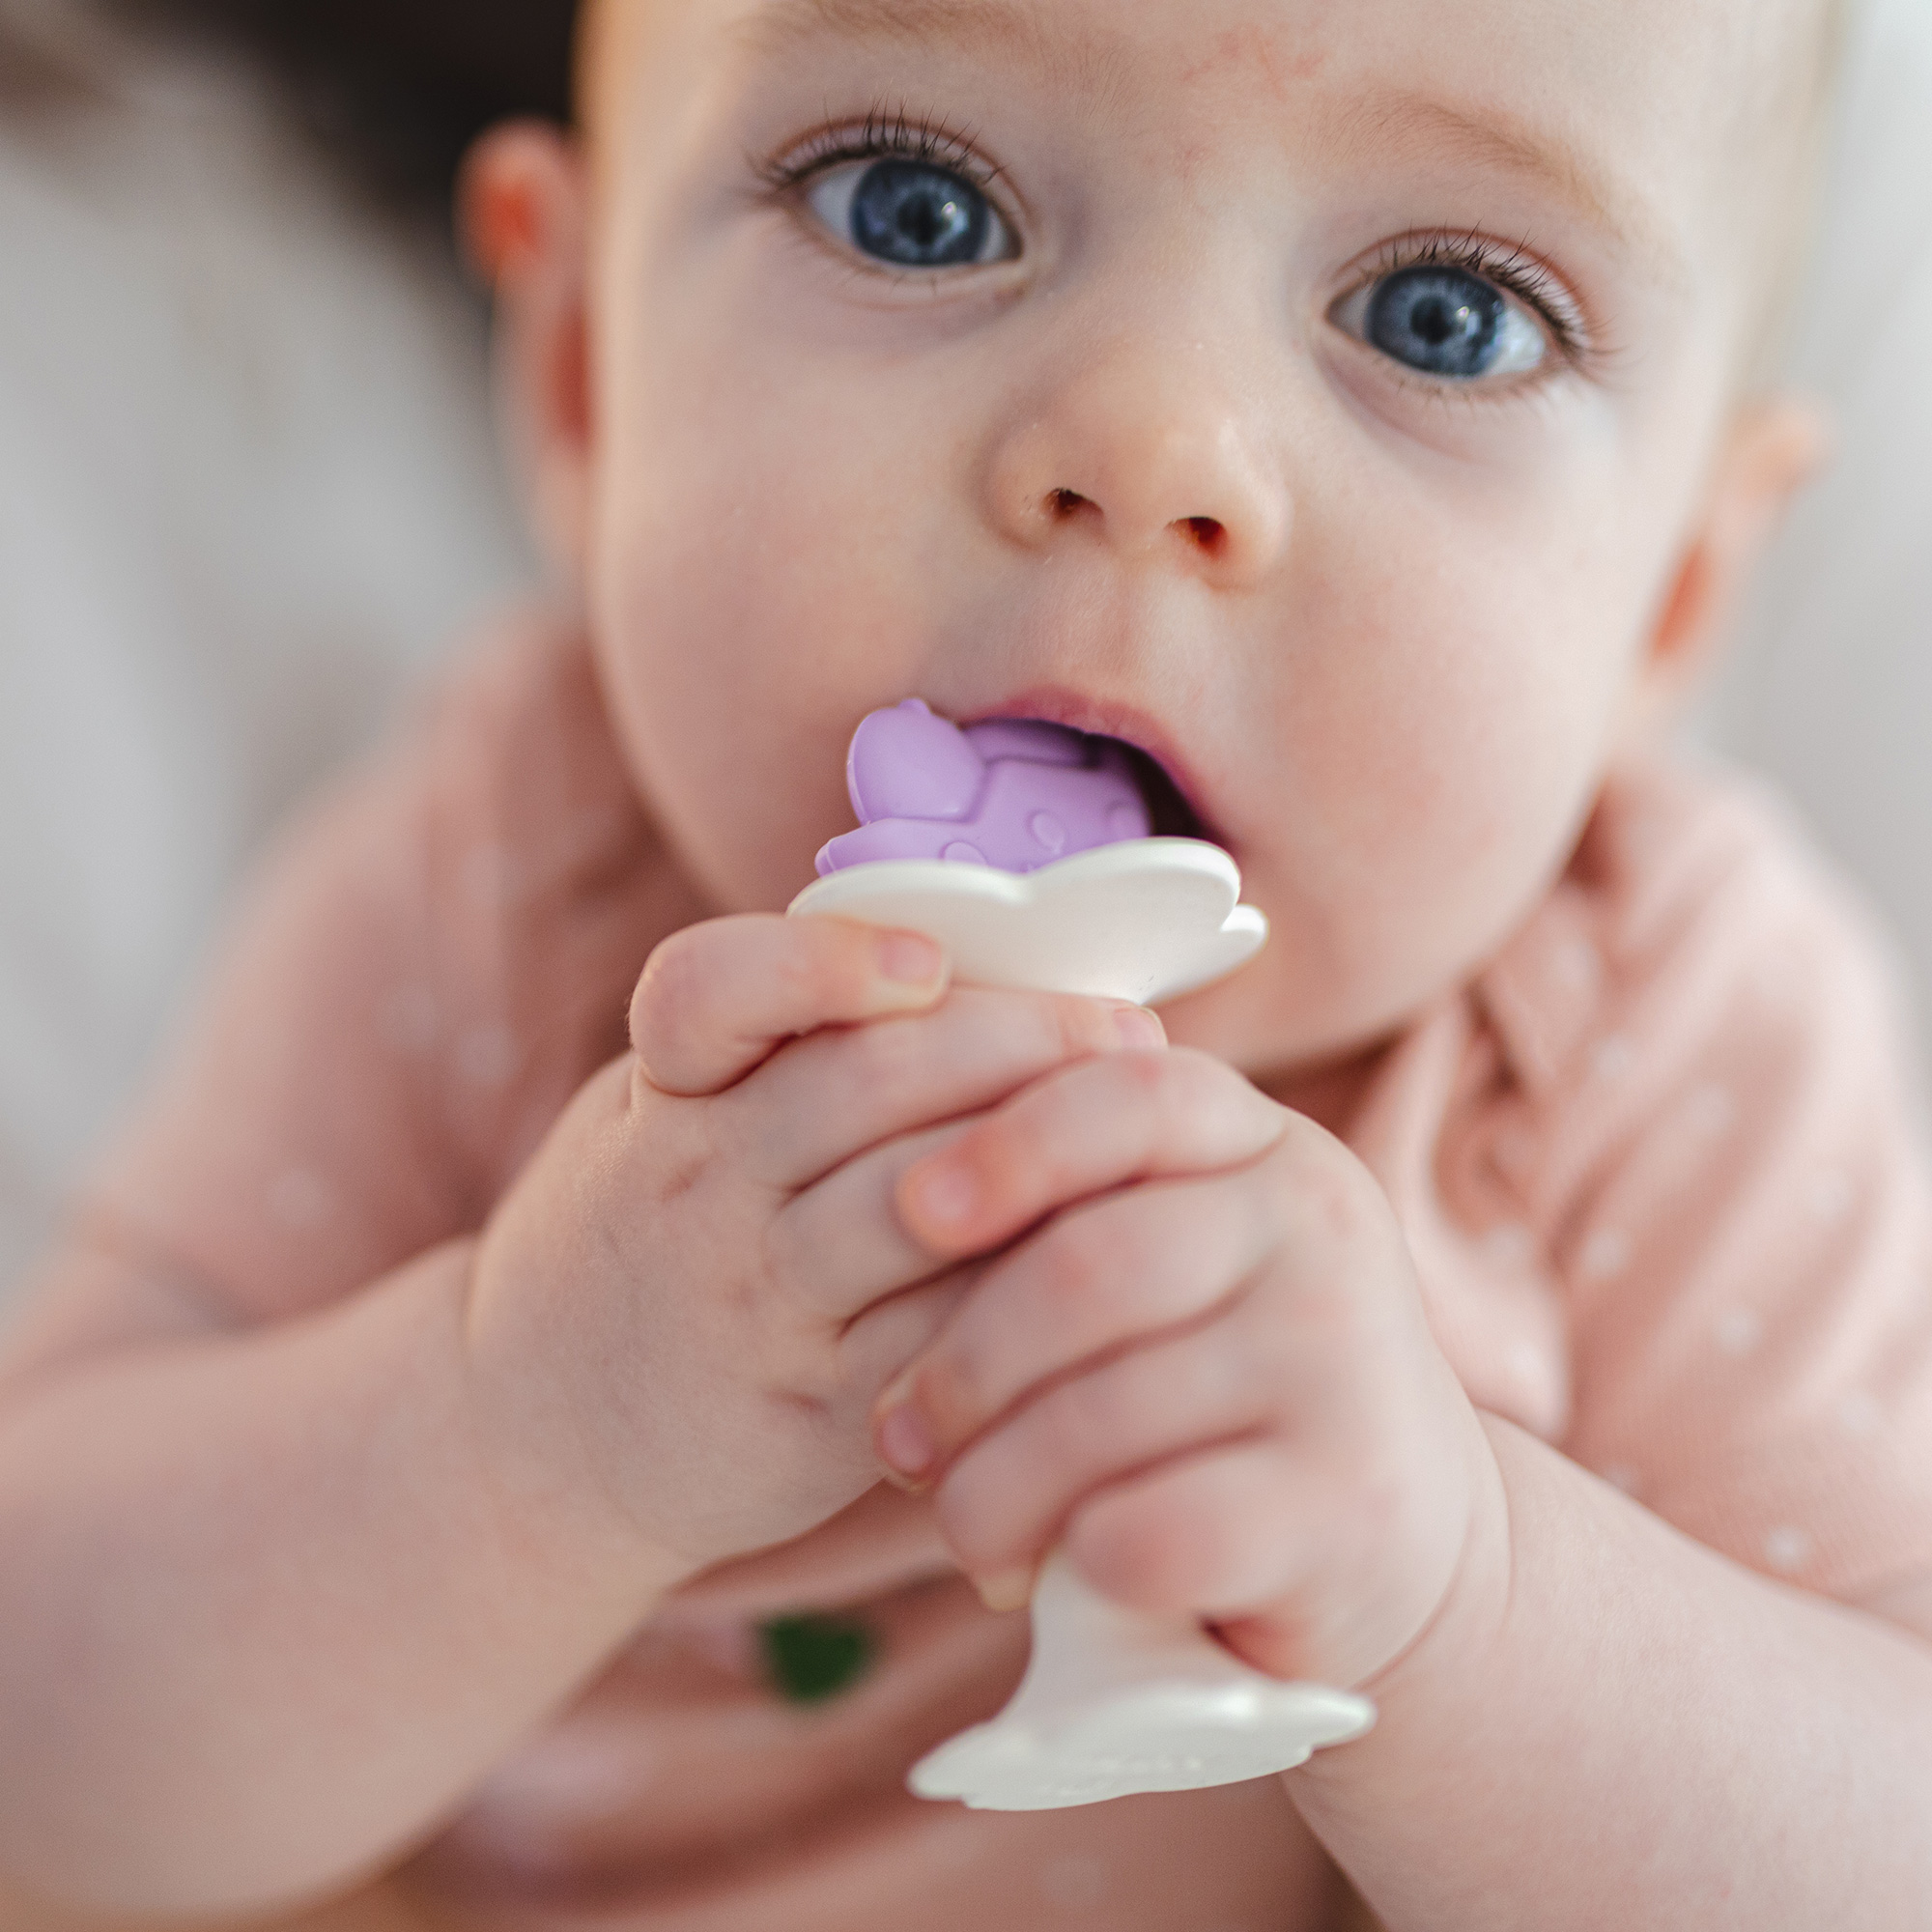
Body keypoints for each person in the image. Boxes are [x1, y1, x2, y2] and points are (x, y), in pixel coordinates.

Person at [3, 0, 1930, 1924]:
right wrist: (514, 1428)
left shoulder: (1648, 1037)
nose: (1150, 444)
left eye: (1443, 314)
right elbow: (45, 1749)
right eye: (915, 207)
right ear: (588, 373)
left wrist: (1461, 1599)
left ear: (1673, 593)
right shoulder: (498, 880)